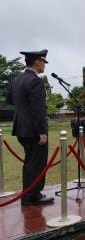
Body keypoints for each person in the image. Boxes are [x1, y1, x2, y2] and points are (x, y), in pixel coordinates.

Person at [7, 49, 52, 206]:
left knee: (30, 162)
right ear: (38, 61)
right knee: (37, 163)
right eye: (43, 62)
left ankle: (28, 193)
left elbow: (11, 100)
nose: (44, 65)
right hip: (34, 130)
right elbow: (38, 109)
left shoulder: (16, 80)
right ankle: (33, 196)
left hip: (20, 127)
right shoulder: (35, 81)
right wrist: (42, 132)